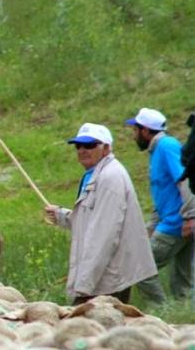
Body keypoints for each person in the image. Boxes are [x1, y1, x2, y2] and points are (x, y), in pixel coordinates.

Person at [43, 123, 157, 305]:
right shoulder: (95, 174)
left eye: (89, 145)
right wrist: (61, 215)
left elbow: (104, 235)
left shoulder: (110, 178)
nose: (82, 150)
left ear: (106, 148)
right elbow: (90, 220)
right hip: (102, 275)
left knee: (84, 329)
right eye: (78, 146)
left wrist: (85, 285)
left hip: (108, 278)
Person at [125, 108, 194, 303]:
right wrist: (150, 227)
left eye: (135, 130)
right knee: (183, 282)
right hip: (176, 222)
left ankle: (161, 313)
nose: (133, 136)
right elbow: (163, 194)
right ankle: (183, 320)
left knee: (139, 267)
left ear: (145, 131)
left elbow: (186, 180)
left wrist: (191, 216)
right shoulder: (157, 151)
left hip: (176, 223)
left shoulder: (167, 146)